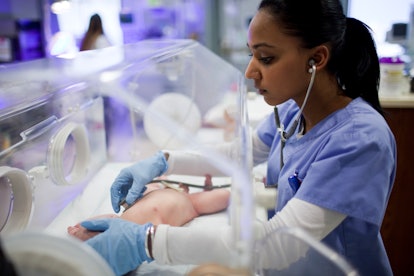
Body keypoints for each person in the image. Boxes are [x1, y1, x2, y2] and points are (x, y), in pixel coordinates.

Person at [80, 0, 396, 275]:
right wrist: (164, 162)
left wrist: (147, 241)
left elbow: (280, 243)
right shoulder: (293, 111)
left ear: (316, 59)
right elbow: (239, 154)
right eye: (252, 55)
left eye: (266, 58)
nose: (250, 72)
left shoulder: (360, 139)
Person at [68, 179, 230, 241]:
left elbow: (109, 218)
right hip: (142, 224)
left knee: (224, 196)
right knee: (223, 196)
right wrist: (84, 224)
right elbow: (109, 218)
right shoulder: (122, 224)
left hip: (184, 203)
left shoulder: (191, 202)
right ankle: (82, 234)